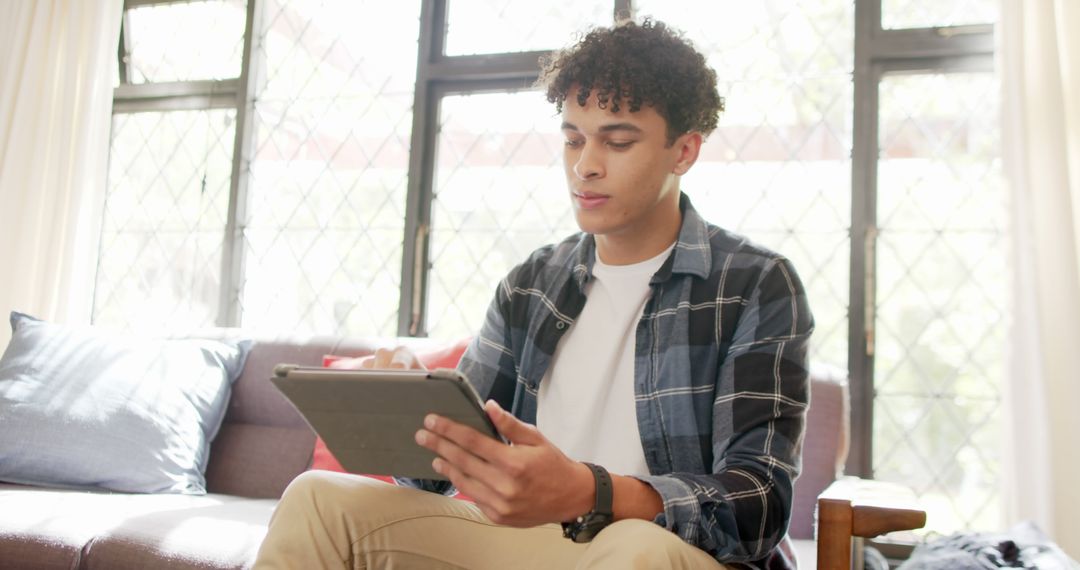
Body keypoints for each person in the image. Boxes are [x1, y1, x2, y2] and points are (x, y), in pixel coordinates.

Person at [253, 18, 813, 570]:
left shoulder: (755, 283)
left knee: (634, 549)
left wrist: (589, 491)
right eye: (573, 139)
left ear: (684, 152)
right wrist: (403, 417)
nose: (585, 166)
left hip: (661, 548)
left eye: (617, 141)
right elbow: (432, 473)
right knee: (318, 499)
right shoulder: (531, 283)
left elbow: (758, 505)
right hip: (526, 543)